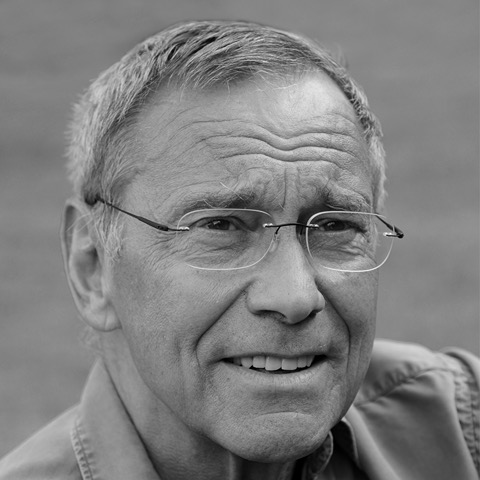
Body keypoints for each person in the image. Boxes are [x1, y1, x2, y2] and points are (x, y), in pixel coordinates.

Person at [0, 19, 478, 480]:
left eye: (334, 225)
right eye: (220, 226)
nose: (294, 297)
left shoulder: (458, 424)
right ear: (91, 266)